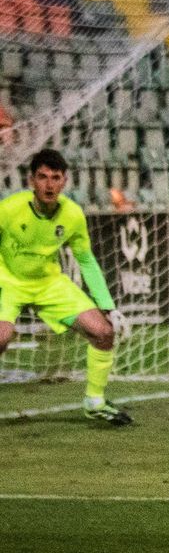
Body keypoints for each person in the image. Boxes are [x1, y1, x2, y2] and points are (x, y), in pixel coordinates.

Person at [0, 149, 133, 426]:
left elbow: (86, 260)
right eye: (43, 177)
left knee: (103, 332)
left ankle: (95, 402)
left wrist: (108, 306)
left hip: (49, 283)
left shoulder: (72, 215)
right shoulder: (10, 209)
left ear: (64, 181)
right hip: (9, 281)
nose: (49, 185)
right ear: (31, 180)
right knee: (1, 337)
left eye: (55, 178)